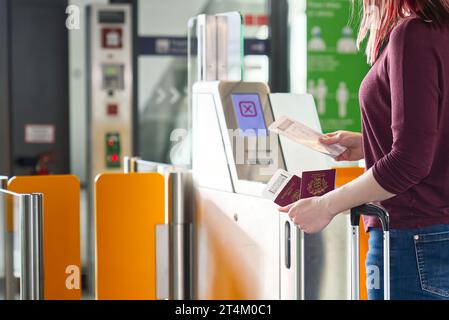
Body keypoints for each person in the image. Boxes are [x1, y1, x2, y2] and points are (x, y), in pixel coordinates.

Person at [279, 0, 449, 300]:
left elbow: (409, 163)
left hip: (414, 240)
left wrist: (325, 206)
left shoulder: (413, 34)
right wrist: (369, 141)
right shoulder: (441, 30)